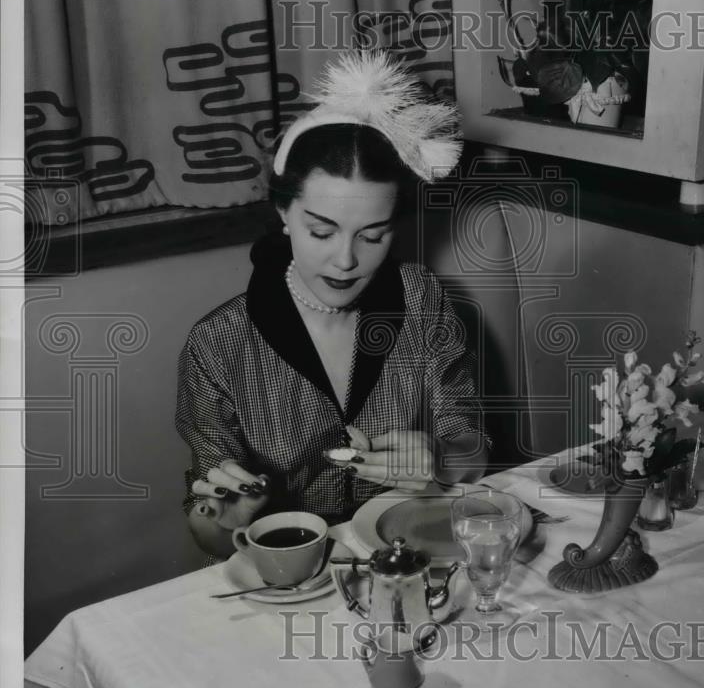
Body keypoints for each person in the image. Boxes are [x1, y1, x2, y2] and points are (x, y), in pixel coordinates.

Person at [176, 52, 490, 558]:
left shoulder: (422, 299)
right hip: (297, 575)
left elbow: (473, 448)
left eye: (373, 235)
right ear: (283, 212)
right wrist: (224, 520)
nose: (345, 261)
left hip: (411, 554)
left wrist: (439, 459)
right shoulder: (218, 344)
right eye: (321, 231)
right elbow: (209, 529)